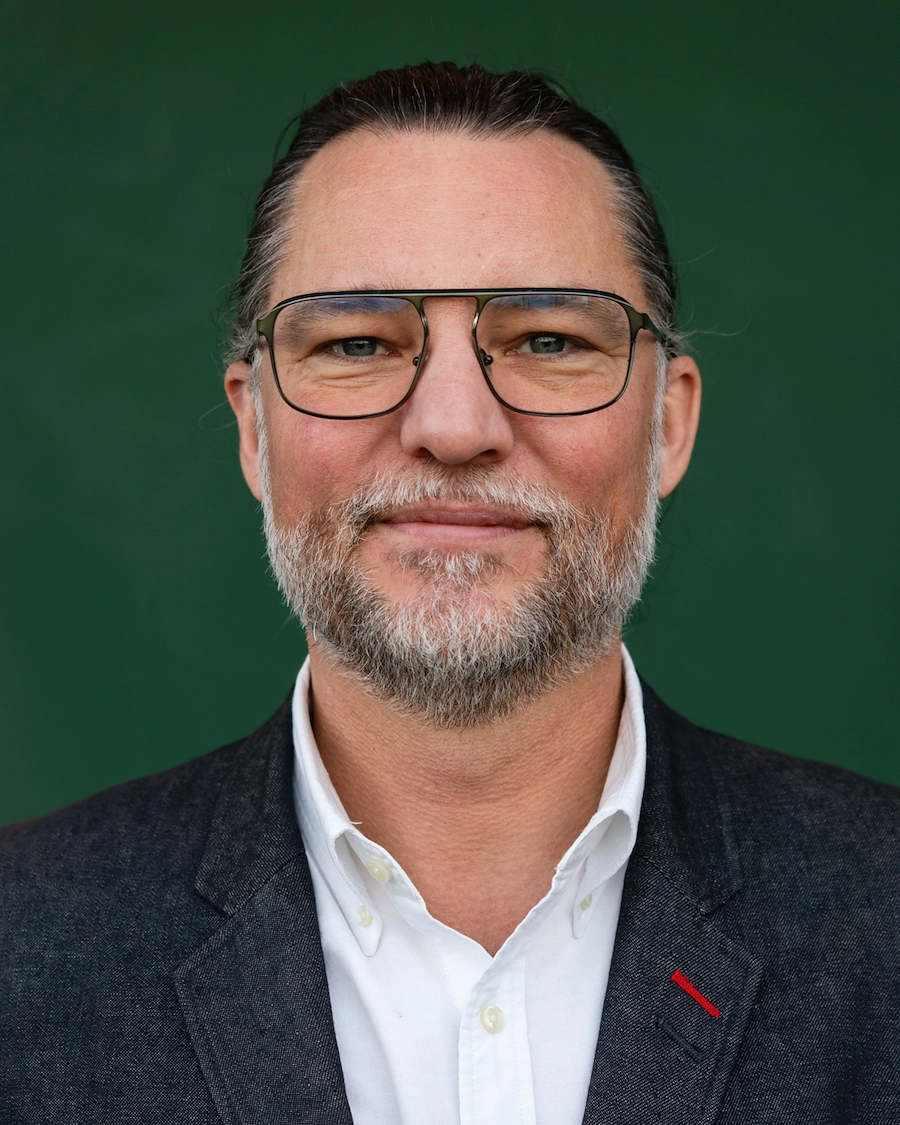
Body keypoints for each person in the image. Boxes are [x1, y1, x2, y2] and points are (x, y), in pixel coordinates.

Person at [1, 61, 898, 1125]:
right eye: (357, 343)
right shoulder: (23, 947)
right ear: (253, 429)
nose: (455, 428)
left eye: (550, 341)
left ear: (667, 424)